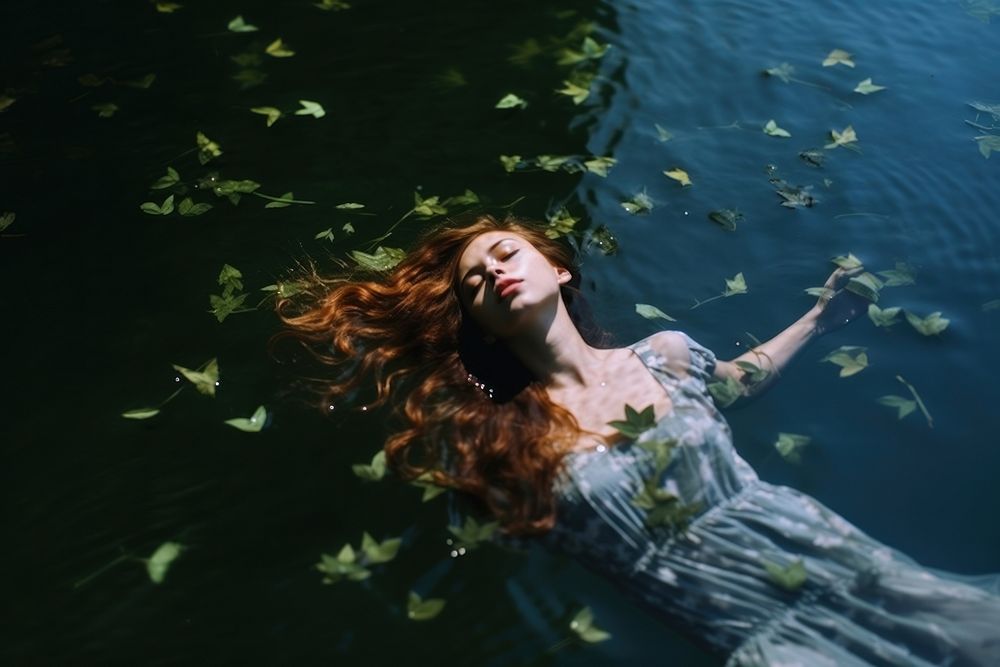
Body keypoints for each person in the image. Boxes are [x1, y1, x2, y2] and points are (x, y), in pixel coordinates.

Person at [277, 214, 1000, 666]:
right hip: (755, 633)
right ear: (481, 325)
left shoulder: (666, 355)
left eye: (504, 253)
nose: (494, 271)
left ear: (557, 268)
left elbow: (740, 380)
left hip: (838, 557)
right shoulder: (507, 449)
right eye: (473, 281)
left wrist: (817, 318)